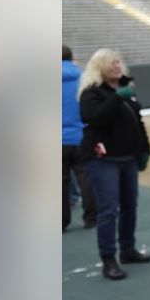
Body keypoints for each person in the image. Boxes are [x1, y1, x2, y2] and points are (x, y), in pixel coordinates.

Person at [78, 49, 150, 281]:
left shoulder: (126, 90)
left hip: (128, 158)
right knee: (109, 210)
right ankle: (108, 259)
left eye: (119, 62)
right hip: (104, 160)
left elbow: (137, 121)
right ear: (99, 67)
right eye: (112, 63)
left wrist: (145, 149)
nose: (117, 66)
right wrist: (118, 96)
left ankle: (128, 249)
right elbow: (94, 118)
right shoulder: (91, 93)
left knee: (130, 206)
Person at [62, 45, 96, 231]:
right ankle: (91, 218)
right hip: (80, 137)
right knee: (86, 179)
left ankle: (62, 221)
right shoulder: (83, 79)